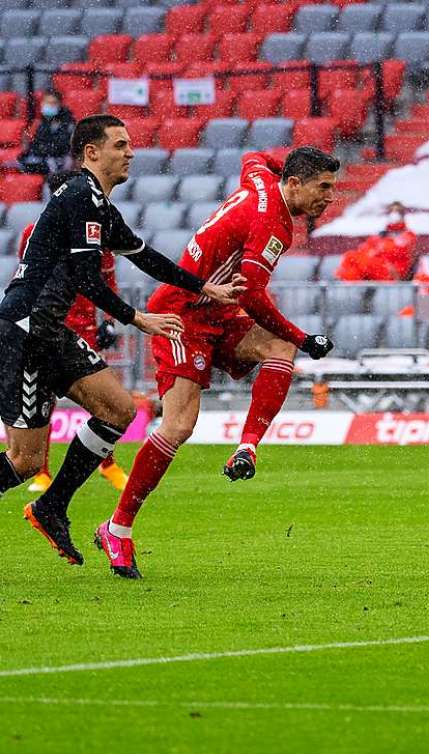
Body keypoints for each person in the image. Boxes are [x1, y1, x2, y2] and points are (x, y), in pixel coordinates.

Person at [0, 114, 244, 568]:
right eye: (119, 144)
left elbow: (146, 257)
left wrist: (203, 288)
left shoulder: (98, 205)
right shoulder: (78, 196)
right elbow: (86, 278)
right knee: (24, 461)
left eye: (129, 144)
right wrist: (138, 319)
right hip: (25, 332)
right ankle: (49, 504)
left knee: (118, 411)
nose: (130, 152)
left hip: (50, 332)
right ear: (91, 153)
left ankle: (51, 507)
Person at [97, 146, 340, 579]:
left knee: (277, 349)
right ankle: (118, 528)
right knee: (178, 426)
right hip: (182, 313)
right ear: (297, 184)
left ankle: (247, 447)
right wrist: (302, 337)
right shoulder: (273, 226)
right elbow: (253, 298)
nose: (330, 197)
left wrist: (290, 340)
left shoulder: (260, 181)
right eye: (323, 188)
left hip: (218, 312)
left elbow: (255, 155)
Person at [14, 170, 130, 494]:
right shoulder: (34, 232)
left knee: (106, 403)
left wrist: (110, 319)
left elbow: (108, 279)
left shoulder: (97, 233)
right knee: (44, 401)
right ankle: (42, 472)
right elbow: (25, 276)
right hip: (49, 325)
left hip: (84, 326)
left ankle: (107, 465)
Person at [335, 201, 417, 281]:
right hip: (379, 267)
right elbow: (365, 248)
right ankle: (348, 284)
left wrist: (376, 250)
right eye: (391, 211)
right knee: (351, 258)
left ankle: (346, 284)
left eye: (397, 212)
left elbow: (395, 250)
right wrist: (373, 250)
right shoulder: (382, 234)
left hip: (392, 272)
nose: (394, 214)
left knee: (352, 258)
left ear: (402, 215)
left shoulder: (408, 235)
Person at [19, 91, 75, 176]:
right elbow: (34, 144)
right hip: (41, 159)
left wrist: (42, 149)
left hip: (58, 161)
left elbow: (62, 146)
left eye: (53, 103)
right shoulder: (41, 122)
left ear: (59, 104)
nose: (50, 105)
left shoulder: (67, 122)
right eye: (47, 102)